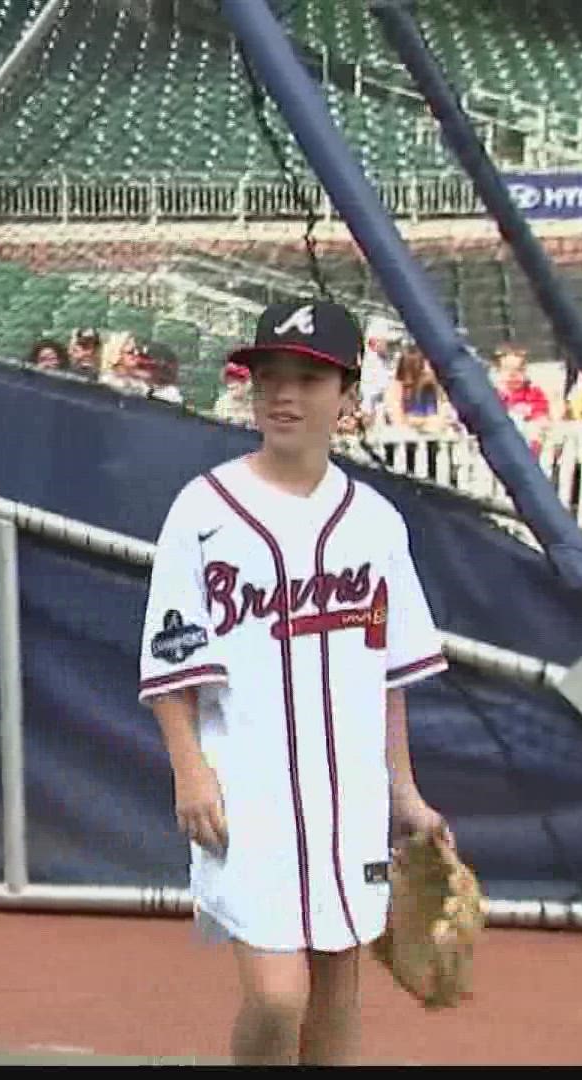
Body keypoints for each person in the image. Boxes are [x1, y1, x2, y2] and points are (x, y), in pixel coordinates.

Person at [137, 298, 450, 1066]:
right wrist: (190, 771)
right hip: (249, 790)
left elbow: (389, 674)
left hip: (350, 793)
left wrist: (402, 790)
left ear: (347, 396)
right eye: (268, 375)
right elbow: (171, 664)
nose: (284, 394)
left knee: (338, 994)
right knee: (279, 998)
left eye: (309, 379)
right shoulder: (203, 511)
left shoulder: (374, 522)